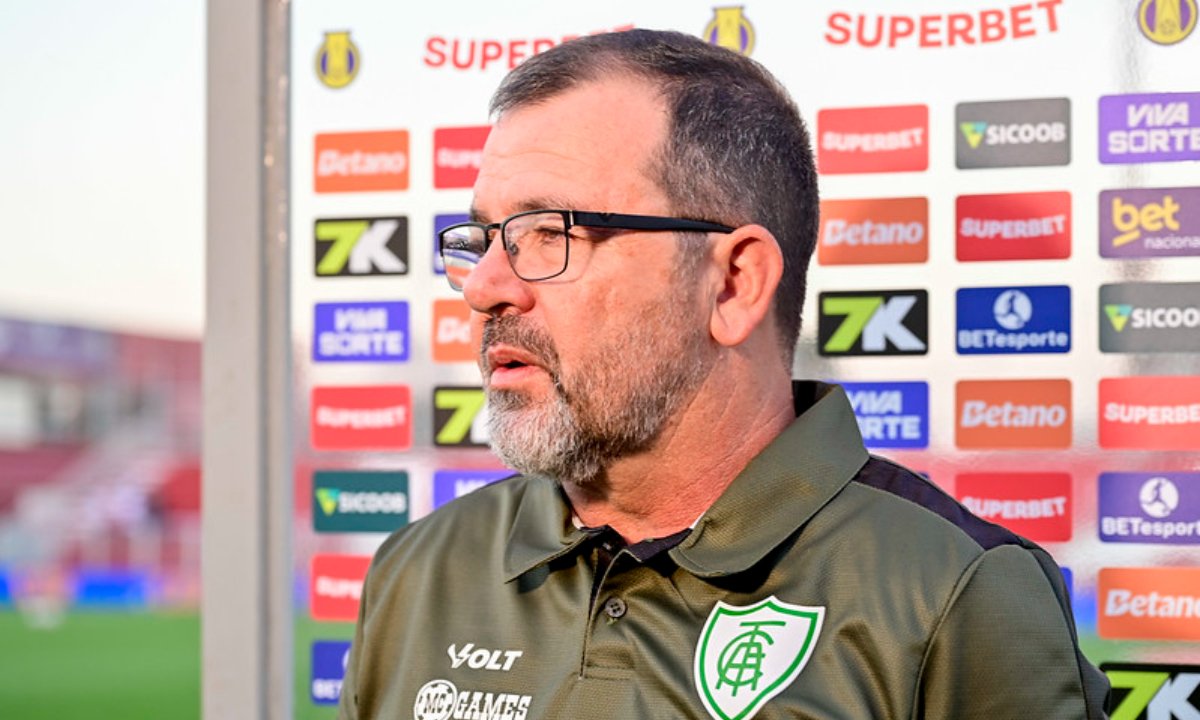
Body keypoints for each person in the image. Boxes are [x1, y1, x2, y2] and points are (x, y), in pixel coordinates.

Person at [338, 29, 1110, 720]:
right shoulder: (418, 573)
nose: (484, 287)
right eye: (484, 237)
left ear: (735, 284)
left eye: (549, 233)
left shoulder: (952, 597)